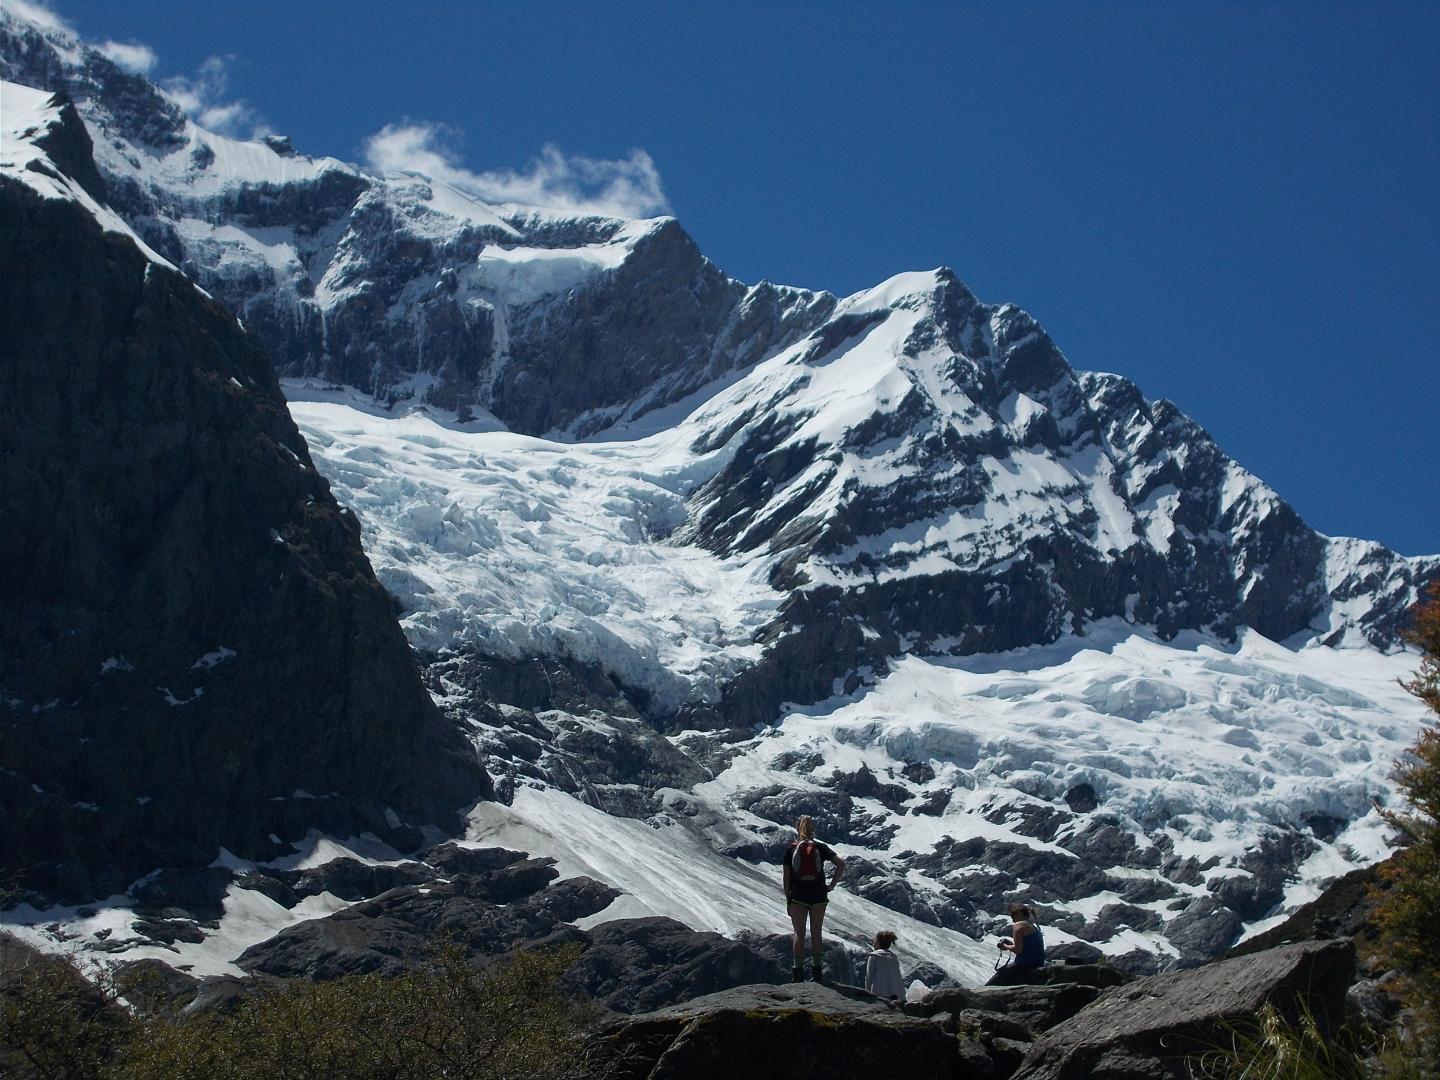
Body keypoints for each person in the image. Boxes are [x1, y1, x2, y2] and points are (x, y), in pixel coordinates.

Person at [782, 815, 845, 983]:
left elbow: (787, 878)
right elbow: (841, 864)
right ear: (813, 829)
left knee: (799, 933)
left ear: (797, 829)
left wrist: (789, 899)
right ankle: (817, 973)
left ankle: (797, 973)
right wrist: (831, 886)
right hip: (818, 894)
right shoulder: (821, 847)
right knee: (817, 932)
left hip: (798, 895)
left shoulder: (791, 850)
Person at [986, 903, 1046, 986]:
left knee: (992, 984)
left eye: (1013, 916)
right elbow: (1027, 948)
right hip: (1038, 963)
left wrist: (1005, 946)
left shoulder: (1019, 925)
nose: (1013, 920)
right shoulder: (1034, 926)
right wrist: (1012, 945)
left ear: (1019, 913)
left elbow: (1018, 950)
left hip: (1024, 964)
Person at [865, 929, 904, 1001]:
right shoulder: (893, 958)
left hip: (879, 996)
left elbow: (868, 978)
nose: (874, 943)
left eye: (875, 941)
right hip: (895, 997)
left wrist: (867, 996)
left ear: (879, 942)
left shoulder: (874, 956)